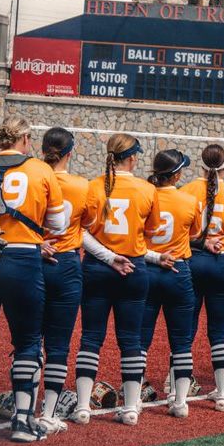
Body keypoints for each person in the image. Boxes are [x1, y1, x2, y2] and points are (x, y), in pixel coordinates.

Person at [0, 117, 64, 442]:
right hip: (23, 258)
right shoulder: (39, 170)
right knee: (28, 340)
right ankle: (22, 421)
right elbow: (58, 223)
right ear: (23, 137)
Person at [72, 133, 162, 425]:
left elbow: (80, 232)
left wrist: (108, 256)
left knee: (90, 337)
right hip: (133, 267)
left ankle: (84, 406)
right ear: (133, 158)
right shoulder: (147, 189)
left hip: (98, 268)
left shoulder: (92, 186)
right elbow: (150, 233)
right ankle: (132, 407)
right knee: (131, 339)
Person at [182, 144, 224, 410]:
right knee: (220, 332)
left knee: (185, 330)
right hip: (223, 262)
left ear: (201, 164)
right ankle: (222, 393)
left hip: (192, 261)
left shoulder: (186, 191)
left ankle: (179, 392)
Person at [139, 150, 202, 418]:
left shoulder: (144, 196)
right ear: (176, 174)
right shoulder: (189, 201)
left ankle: (135, 395)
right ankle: (179, 401)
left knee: (140, 337)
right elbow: (195, 234)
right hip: (178, 271)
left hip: (148, 269)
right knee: (181, 339)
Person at [36, 127, 91, 431]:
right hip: (67, 262)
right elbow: (90, 225)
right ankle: (48, 412)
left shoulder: (31, 178)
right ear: (70, 152)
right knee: (59, 344)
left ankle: (23, 407)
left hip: (32, 260)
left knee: (29, 340)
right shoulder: (82, 185)